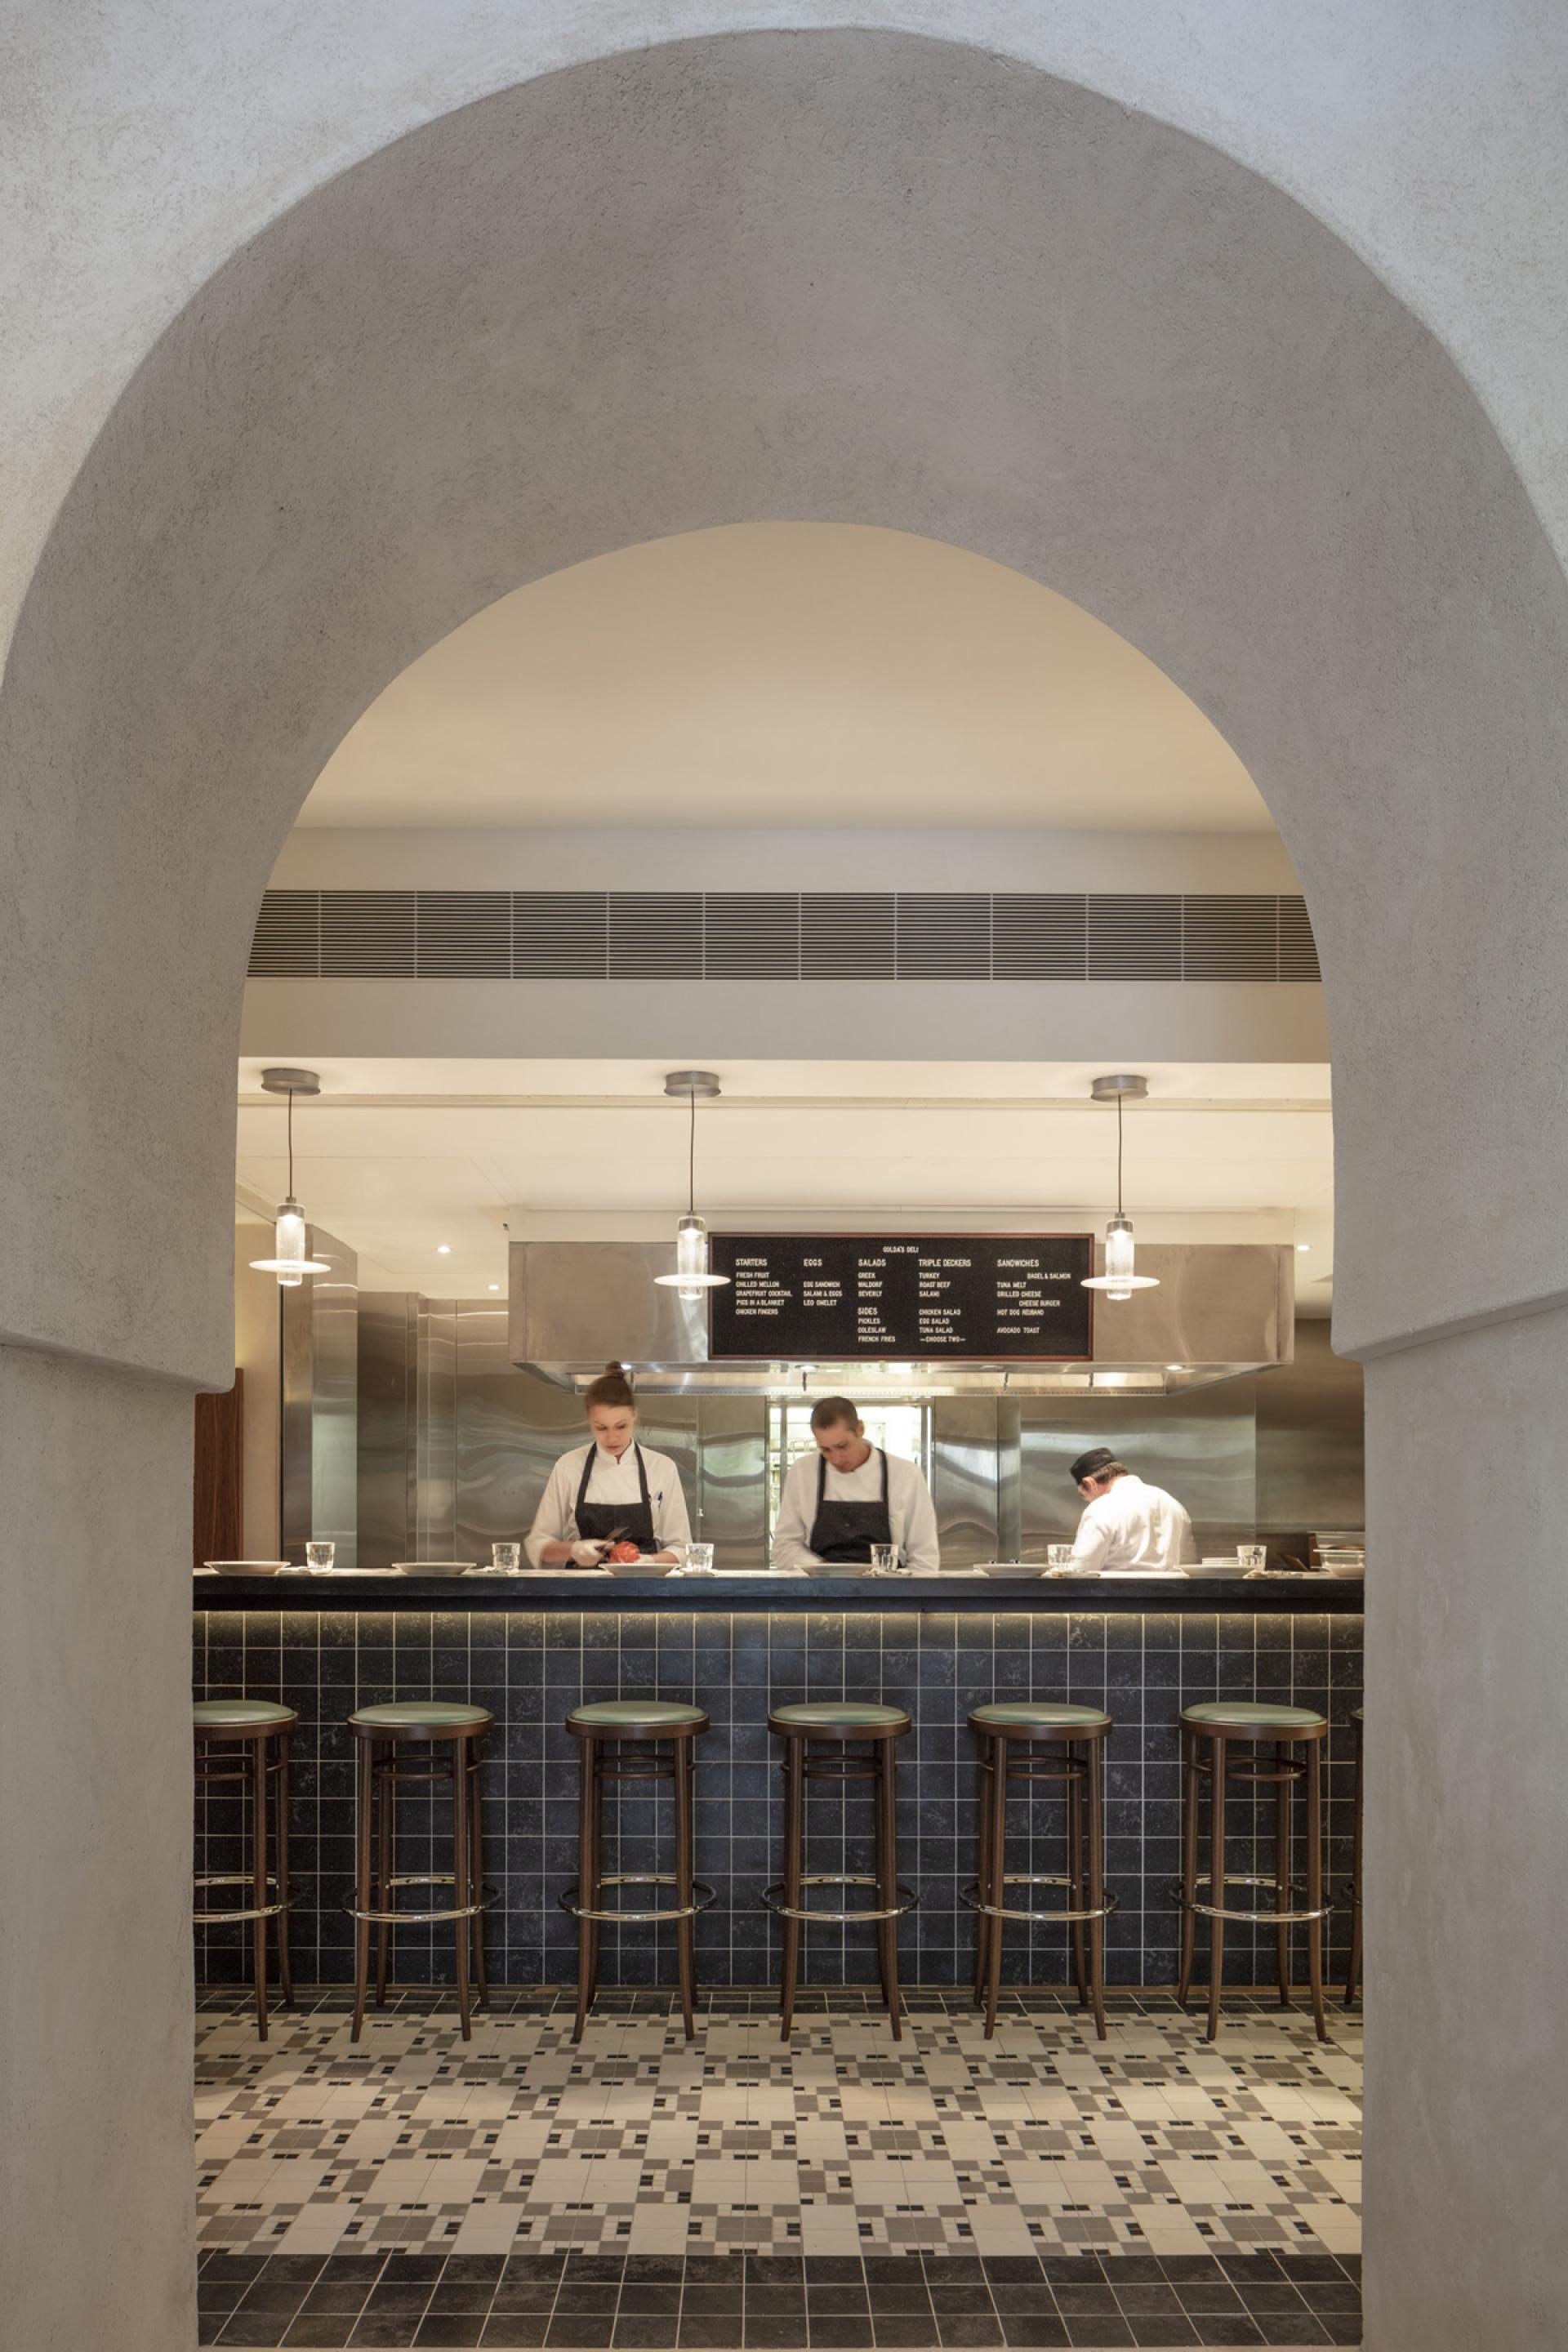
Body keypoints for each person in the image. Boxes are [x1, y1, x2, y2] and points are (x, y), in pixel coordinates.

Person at [525, 1361, 693, 1567]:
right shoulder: (568, 1466)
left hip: (645, 1589)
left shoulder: (662, 1467)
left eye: (621, 1426)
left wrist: (645, 1561)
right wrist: (574, 1550)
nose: (612, 1437)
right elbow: (539, 1546)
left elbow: (682, 1550)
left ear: (634, 1415)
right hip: (582, 1592)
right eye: (601, 1427)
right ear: (589, 1420)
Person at [772, 1396, 941, 1573]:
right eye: (826, 1450)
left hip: (890, 1595)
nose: (836, 1458)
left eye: (842, 1446)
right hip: (820, 1592)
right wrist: (829, 1575)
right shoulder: (803, 1472)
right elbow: (785, 1546)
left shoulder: (905, 1474)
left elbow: (924, 1557)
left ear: (860, 1429)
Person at [1067, 1447, 1196, 1571]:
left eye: (1085, 1496)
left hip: (1118, 1592)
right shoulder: (1172, 1504)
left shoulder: (1101, 1507)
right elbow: (1188, 1563)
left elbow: (1081, 1570)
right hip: (1173, 1592)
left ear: (1090, 1483)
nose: (1089, 1501)